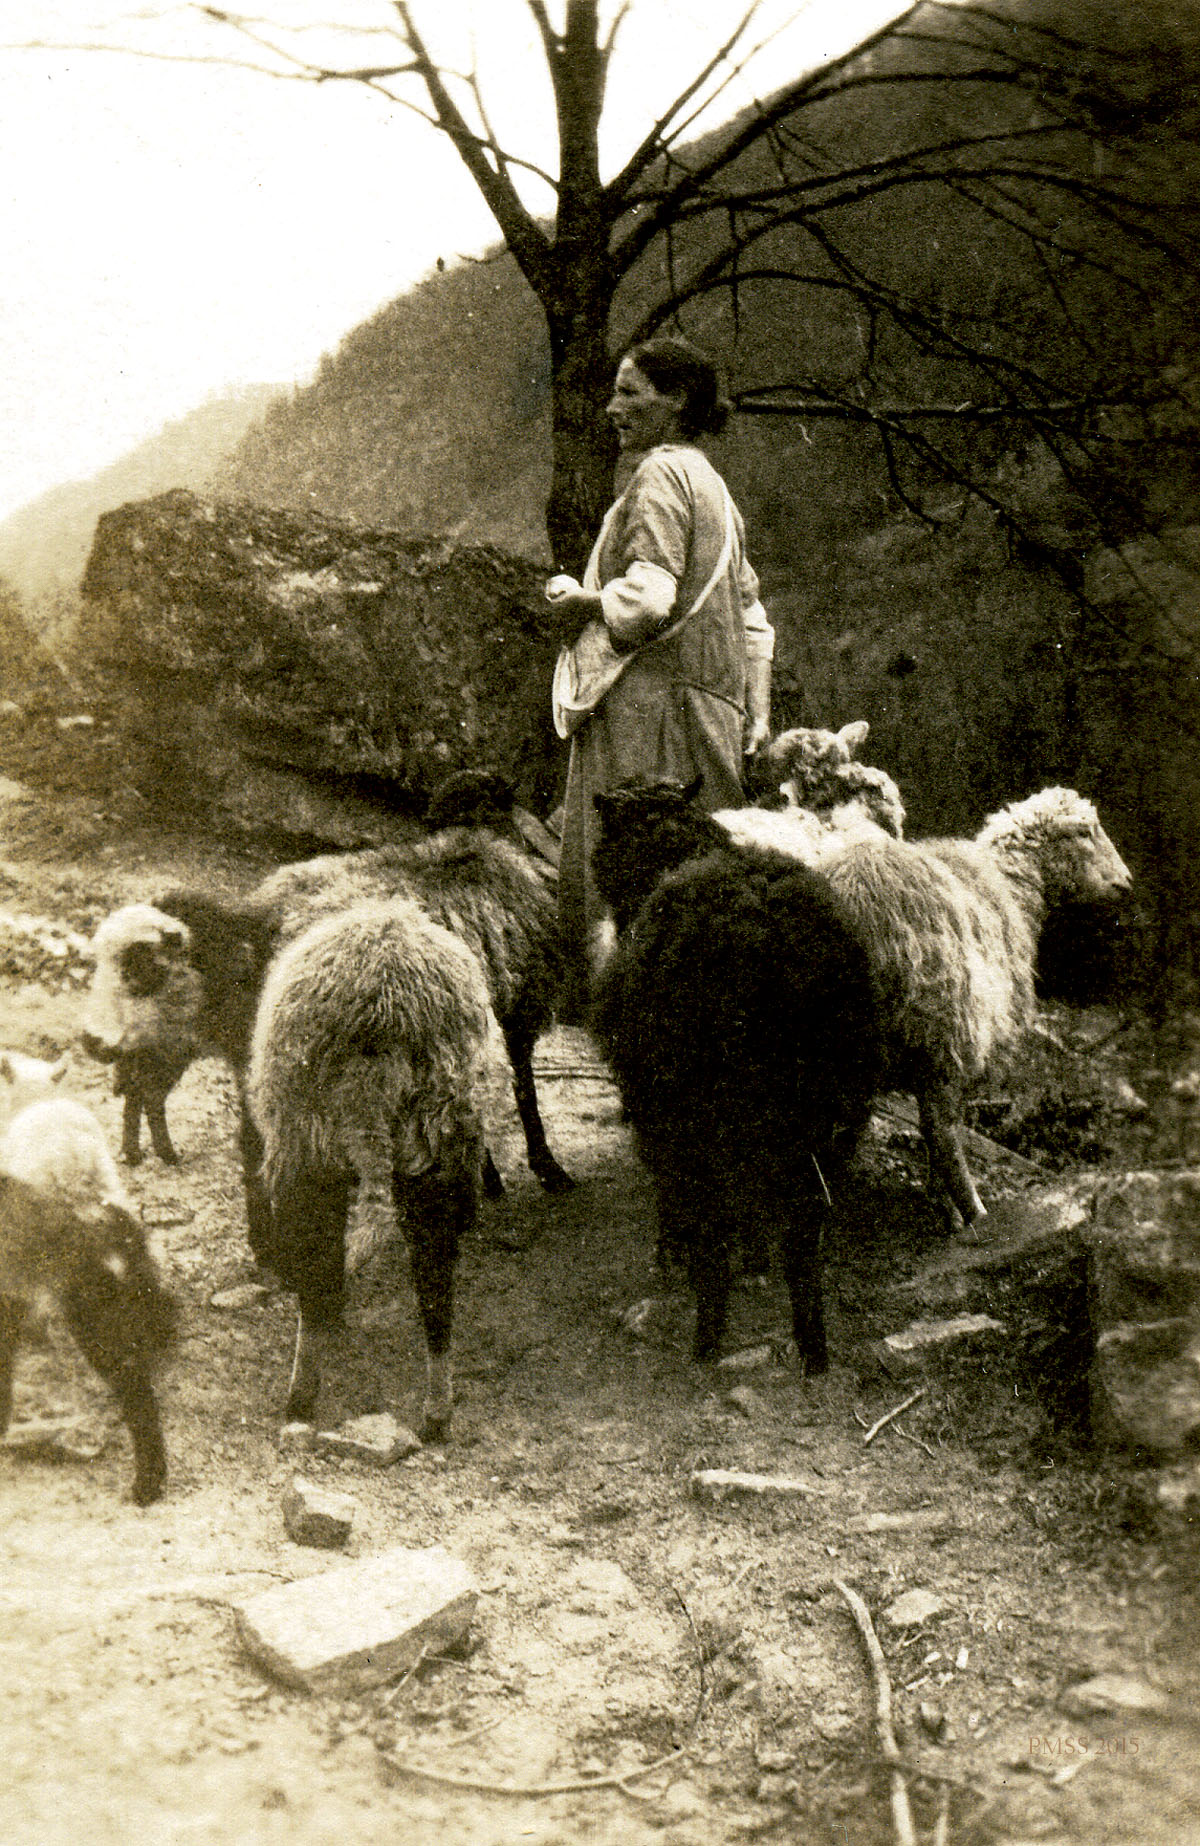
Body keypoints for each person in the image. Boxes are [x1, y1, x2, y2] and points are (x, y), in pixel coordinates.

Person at [546, 335, 773, 1016]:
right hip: (712, 712)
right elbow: (752, 618)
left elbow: (648, 601)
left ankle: (611, 1017)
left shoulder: (659, 475)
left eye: (630, 393)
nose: (613, 407)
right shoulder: (715, 490)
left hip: (649, 711)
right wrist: (757, 710)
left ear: (676, 402)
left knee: (624, 873)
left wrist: (581, 601)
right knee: (704, 875)